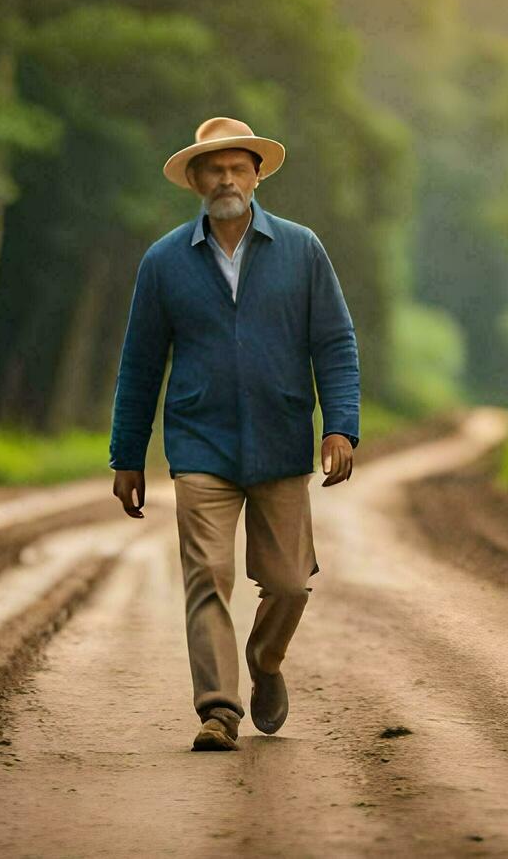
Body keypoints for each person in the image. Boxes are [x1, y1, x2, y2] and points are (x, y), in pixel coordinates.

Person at [108, 116, 361, 751]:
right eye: (213, 168)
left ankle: (266, 661)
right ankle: (218, 711)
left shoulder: (302, 250)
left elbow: (334, 343)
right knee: (207, 575)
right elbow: (140, 362)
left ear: (255, 175)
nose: (226, 177)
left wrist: (341, 427)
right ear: (194, 180)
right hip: (199, 444)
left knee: (288, 584)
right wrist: (128, 454)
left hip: (280, 440)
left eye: (237, 166)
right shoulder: (164, 261)